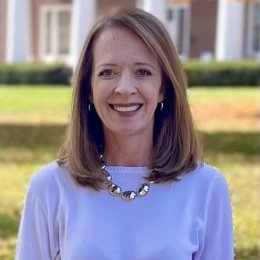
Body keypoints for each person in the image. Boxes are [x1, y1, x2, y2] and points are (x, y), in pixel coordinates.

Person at [15, 7, 234, 260]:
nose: (124, 88)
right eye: (107, 72)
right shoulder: (50, 187)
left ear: (163, 87)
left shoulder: (206, 188)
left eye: (143, 72)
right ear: (88, 89)